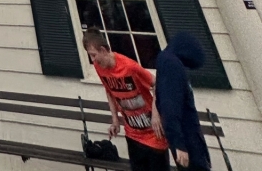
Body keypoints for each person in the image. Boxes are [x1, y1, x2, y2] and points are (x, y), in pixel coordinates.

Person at [83, 28, 168, 171]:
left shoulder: (129, 67)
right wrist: (115, 120)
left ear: (103, 50)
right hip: (133, 133)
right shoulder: (99, 67)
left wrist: (155, 114)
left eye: (93, 55)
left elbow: (157, 83)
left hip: (153, 133)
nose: (92, 60)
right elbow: (109, 91)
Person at [155, 33, 211, 170]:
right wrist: (178, 144)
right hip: (187, 138)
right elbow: (170, 107)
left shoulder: (165, 59)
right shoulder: (172, 65)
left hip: (187, 135)